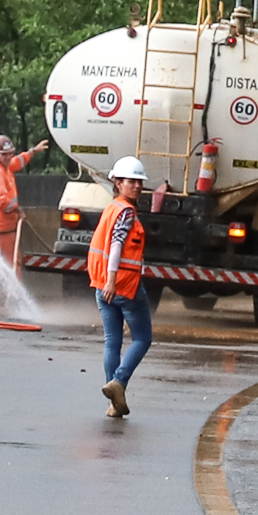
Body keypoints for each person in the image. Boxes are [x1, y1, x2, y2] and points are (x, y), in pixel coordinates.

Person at [88, 156, 153, 417]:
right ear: (117, 182)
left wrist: (107, 282)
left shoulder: (111, 208)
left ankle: (114, 403)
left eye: (139, 182)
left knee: (112, 342)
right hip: (123, 286)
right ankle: (119, 382)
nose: (137, 186)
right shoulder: (125, 212)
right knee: (142, 339)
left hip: (102, 287)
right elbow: (116, 246)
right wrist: (113, 281)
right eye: (131, 181)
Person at [0, 133, 46, 266]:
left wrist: (33, 151)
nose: (8, 157)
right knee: (8, 263)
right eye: (4, 154)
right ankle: (1, 287)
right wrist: (17, 208)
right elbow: (2, 203)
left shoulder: (4, 166)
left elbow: (18, 161)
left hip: (0, 227)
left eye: (10, 153)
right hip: (0, 228)